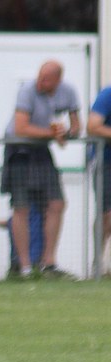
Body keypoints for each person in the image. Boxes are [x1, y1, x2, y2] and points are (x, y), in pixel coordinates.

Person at [0, 60, 79, 278]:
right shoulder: (27, 90)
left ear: (57, 80)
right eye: (40, 77)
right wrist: (52, 134)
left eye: (46, 79)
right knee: (21, 207)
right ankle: (25, 267)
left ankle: (48, 263)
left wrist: (67, 133)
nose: (41, 82)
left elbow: (76, 126)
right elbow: (21, 127)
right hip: (19, 151)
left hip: (42, 151)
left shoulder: (68, 91)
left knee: (56, 203)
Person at [86, 83, 111, 263]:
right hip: (105, 163)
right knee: (106, 215)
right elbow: (93, 127)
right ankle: (97, 265)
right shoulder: (107, 95)